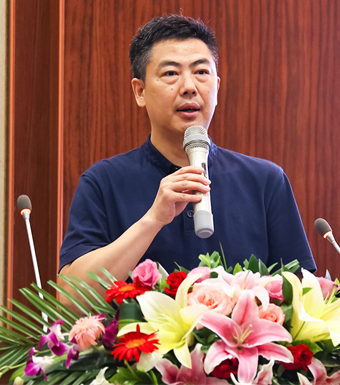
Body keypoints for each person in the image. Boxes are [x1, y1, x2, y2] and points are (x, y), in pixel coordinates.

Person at [59, 15, 316, 297]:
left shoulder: (266, 181)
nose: (189, 87)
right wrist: (153, 219)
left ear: (217, 86)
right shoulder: (103, 181)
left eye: (201, 72)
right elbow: (70, 298)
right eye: (171, 73)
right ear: (140, 91)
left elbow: (303, 299)